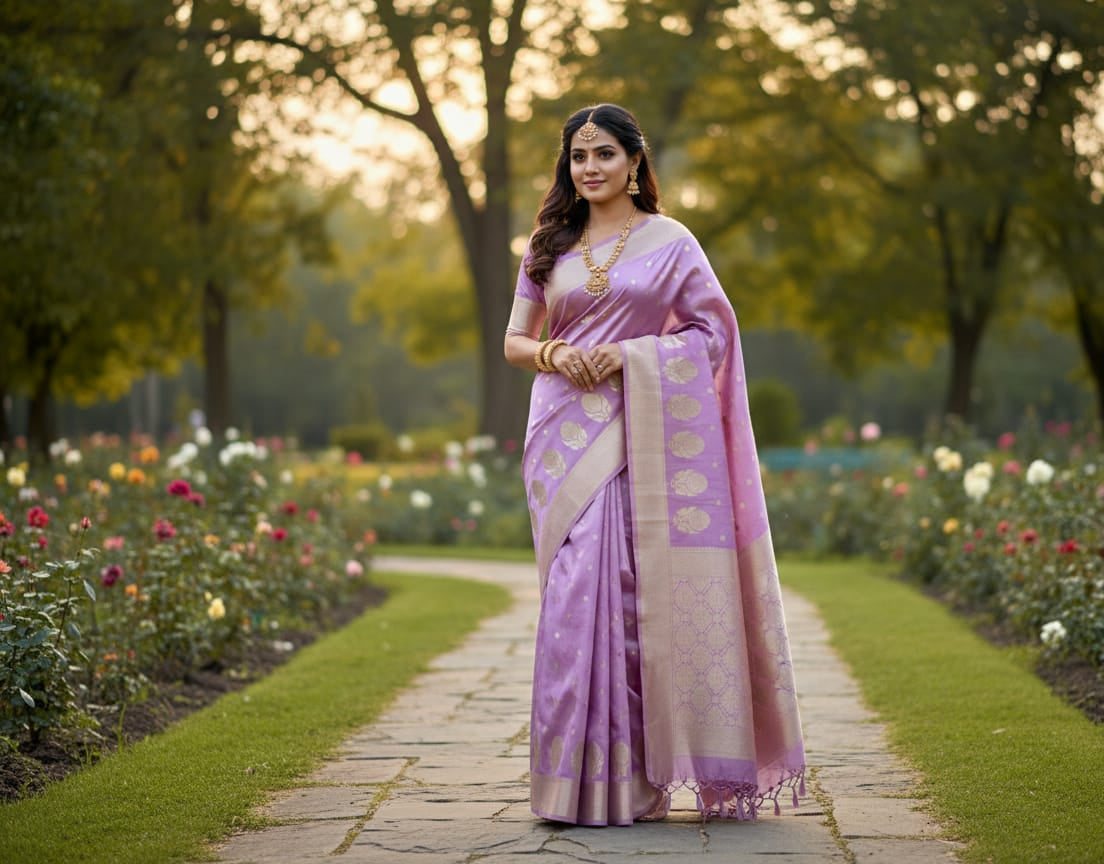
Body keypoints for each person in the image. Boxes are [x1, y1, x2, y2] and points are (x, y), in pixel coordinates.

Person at [503, 104, 805, 826]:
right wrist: (556, 352)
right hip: (562, 434)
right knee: (575, 600)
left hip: (639, 435)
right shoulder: (550, 244)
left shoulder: (671, 242)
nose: (590, 168)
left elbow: (712, 335)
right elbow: (516, 340)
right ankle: (571, 784)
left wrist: (632, 355)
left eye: (604, 154)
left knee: (631, 602)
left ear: (635, 162)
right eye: (578, 158)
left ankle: (631, 785)